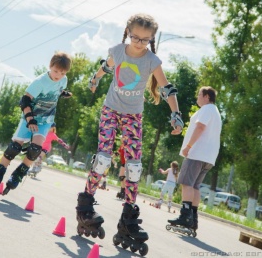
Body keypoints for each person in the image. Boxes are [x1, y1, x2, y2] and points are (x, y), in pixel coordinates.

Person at [75, 13, 184, 251]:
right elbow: (105, 67)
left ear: (151, 40)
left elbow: (166, 88)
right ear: (128, 33)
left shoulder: (152, 60)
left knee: (134, 166)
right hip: (110, 110)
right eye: (135, 37)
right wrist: (94, 80)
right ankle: (85, 205)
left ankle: (128, 218)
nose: (139, 43)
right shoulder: (117, 50)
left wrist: (176, 115)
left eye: (145, 40)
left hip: (134, 115)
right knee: (103, 159)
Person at [0, 52, 72, 197]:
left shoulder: (63, 80)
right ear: (50, 66)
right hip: (29, 118)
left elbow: (55, 91)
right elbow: (25, 101)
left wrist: (62, 93)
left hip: (46, 120)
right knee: (14, 148)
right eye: (55, 71)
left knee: (35, 149)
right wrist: (30, 119)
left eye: (62, 73)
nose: (58, 75)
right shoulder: (39, 81)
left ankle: (18, 174)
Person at [168, 86, 222, 231]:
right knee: (195, 186)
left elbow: (200, 128)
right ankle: (193, 218)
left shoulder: (206, 109)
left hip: (197, 153)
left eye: (199, 94)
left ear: (206, 97)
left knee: (186, 183)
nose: (197, 97)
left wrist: (189, 146)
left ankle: (185, 216)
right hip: (208, 157)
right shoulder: (216, 112)